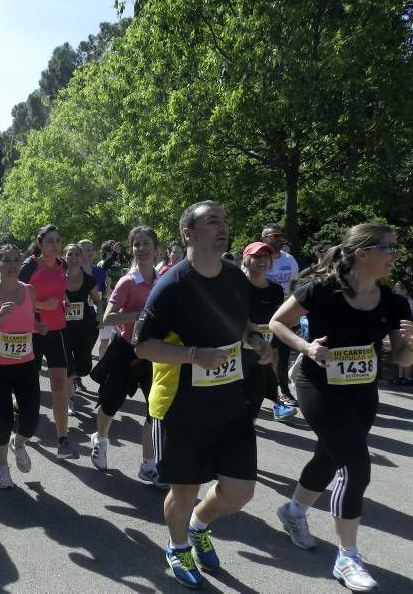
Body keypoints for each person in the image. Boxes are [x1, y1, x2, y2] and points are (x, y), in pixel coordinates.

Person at [135, 201, 273, 589]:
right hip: (182, 407)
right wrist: (193, 355)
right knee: (184, 490)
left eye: (224, 221)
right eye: (211, 221)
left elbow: (242, 325)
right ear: (188, 234)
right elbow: (142, 346)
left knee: (240, 491)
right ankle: (178, 546)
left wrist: (257, 342)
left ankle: (199, 526)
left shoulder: (233, 276)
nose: (222, 227)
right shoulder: (171, 287)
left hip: (231, 402)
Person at [270, 223, 413, 592]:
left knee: (330, 457)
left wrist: (411, 347)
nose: (395, 256)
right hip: (317, 384)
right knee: (356, 465)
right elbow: (277, 323)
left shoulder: (393, 301)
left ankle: (293, 511)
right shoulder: (320, 289)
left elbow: (402, 356)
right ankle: (347, 556)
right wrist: (306, 348)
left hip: (361, 391)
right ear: (363, 252)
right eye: (389, 248)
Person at [90, 227, 162, 482]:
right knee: (111, 404)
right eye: (137, 244)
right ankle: (100, 438)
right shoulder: (128, 281)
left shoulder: (162, 279)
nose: (141, 248)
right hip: (125, 351)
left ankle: (148, 464)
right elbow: (108, 316)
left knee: (156, 409)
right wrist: (140, 316)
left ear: (155, 248)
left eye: (146, 243)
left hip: (154, 352)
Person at [0, 244, 45, 488]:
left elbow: (28, 323)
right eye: (7, 261)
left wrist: (38, 328)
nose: (13, 265)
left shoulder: (29, 291)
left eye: (17, 260)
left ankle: (19, 444)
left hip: (25, 363)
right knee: (4, 421)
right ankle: (2, 465)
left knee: (31, 421)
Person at [19, 225, 77, 459]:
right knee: (29, 386)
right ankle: (23, 428)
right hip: (33, 331)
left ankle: (63, 440)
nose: (55, 245)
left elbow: (59, 292)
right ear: (41, 244)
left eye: (58, 241)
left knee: (60, 389)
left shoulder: (62, 265)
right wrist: (43, 306)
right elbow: (16, 294)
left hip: (57, 332)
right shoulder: (30, 265)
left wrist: (64, 303)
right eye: (50, 241)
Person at [241, 242, 296, 422]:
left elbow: (279, 320)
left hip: (265, 352)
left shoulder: (275, 290)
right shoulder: (237, 286)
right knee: (238, 397)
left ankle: (272, 408)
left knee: (254, 399)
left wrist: (277, 348)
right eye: (257, 256)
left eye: (266, 257)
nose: (262, 260)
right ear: (247, 259)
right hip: (239, 353)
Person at [262, 224, 300, 408]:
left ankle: (284, 392)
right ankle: (258, 390)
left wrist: (296, 311)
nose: (279, 238)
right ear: (264, 238)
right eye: (274, 235)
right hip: (261, 315)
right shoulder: (257, 257)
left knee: (283, 355)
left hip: (283, 313)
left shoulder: (289, 260)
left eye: (281, 235)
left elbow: (294, 285)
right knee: (260, 353)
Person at [63, 244, 102, 416]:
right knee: (66, 364)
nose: (73, 258)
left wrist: (100, 315)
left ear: (81, 258)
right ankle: (69, 397)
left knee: (85, 367)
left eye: (77, 254)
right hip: (62, 327)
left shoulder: (88, 280)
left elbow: (98, 300)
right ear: (64, 257)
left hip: (84, 326)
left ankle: (71, 379)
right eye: (70, 254)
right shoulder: (58, 278)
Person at [77, 239, 106, 393]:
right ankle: (75, 379)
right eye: (85, 249)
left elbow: (102, 295)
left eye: (90, 249)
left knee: (87, 349)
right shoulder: (74, 270)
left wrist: (101, 315)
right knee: (77, 349)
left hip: (92, 315)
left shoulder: (99, 271)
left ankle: (77, 376)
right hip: (76, 316)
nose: (89, 252)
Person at [97, 240, 127, 359]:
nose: (114, 252)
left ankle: (112, 366)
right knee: (104, 340)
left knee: (116, 340)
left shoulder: (119, 265)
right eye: (111, 250)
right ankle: (101, 365)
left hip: (119, 307)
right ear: (106, 251)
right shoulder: (101, 264)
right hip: (105, 307)